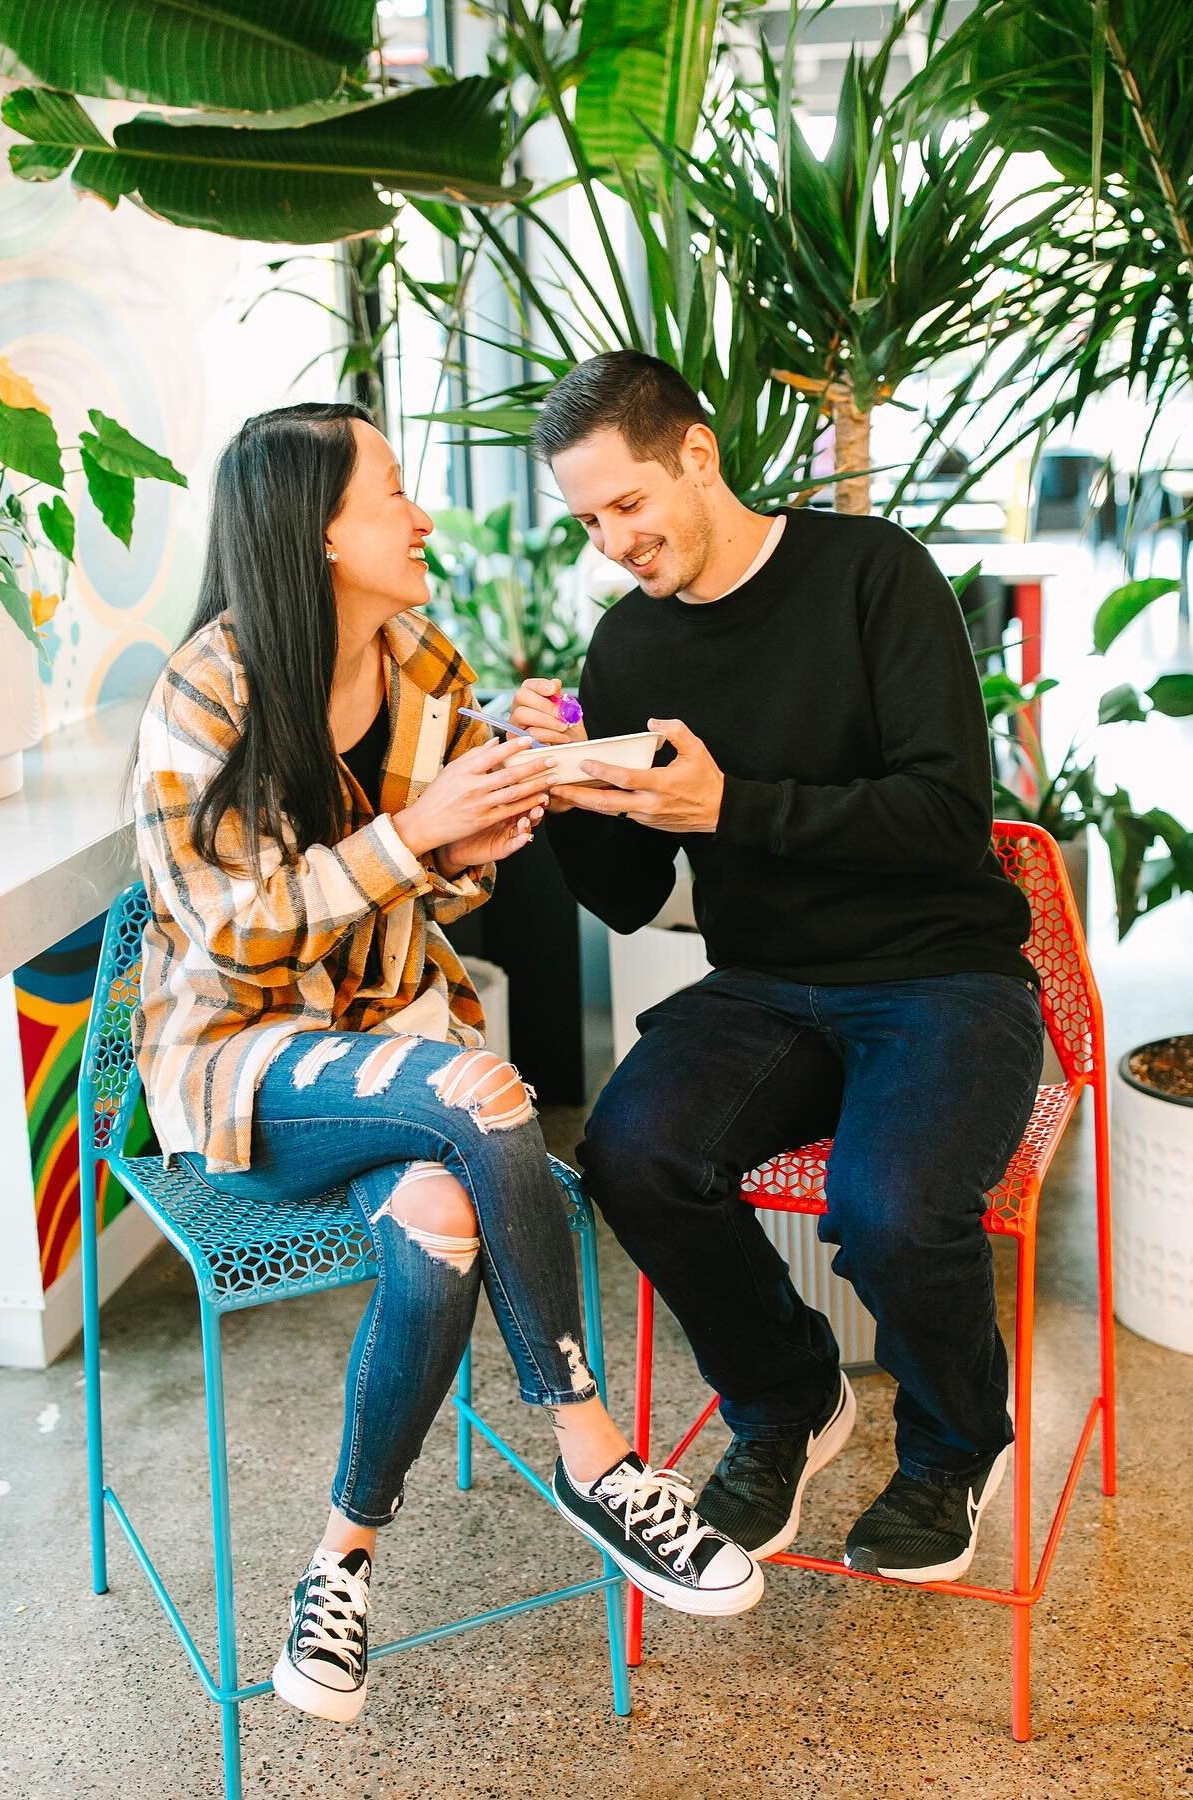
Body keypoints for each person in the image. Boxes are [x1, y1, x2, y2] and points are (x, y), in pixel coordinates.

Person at [131, 401, 762, 1728]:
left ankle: (339, 1563)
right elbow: (225, 932)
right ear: (318, 532)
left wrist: (531, 790)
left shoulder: (418, 658)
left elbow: (445, 883)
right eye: (396, 491)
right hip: (243, 1062)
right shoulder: (209, 688)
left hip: (392, 1037)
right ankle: (595, 1457)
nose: (422, 515)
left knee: (439, 1215)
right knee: (482, 1091)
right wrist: (418, 834)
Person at [510, 351, 1044, 1584]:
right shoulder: (626, 647)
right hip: (765, 987)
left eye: (628, 505)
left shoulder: (873, 574)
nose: (615, 543)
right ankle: (789, 1401)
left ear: (697, 454)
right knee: (633, 1156)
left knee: (893, 1212)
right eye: (590, 521)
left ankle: (959, 1445)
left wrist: (732, 807)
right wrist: (568, 793)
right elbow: (637, 899)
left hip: (941, 973)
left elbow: (947, 817)